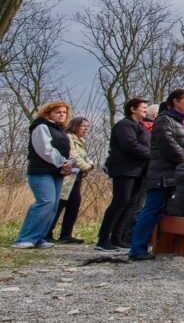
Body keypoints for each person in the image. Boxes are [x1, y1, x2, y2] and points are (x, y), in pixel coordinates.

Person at [129, 89, 184, 261]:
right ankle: (137, 248)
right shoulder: (163, 119)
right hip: (162, 173)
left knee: (175, 209)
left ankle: (171, 246)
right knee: (151, 208)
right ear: (175, 101)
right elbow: (168, 143)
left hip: (180, 173)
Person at [13, 101, 73, 250]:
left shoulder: (61, 130)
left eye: (64, 112)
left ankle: (39, 237)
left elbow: (69, 151)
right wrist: (62, 162)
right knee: (45, 202)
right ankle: (25, 238)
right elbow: (45, 150)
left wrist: (70, 162)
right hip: (40, 172)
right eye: (58, 112)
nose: (62, 115)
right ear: (48, 114)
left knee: (53, 206)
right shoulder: (41, 127)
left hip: (56, 173)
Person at [96, 97, 150, 251]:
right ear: (132, 109)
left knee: (130, 204)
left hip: (139, 170)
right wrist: (151, 154)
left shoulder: (141, 127)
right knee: (120, 202)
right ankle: (103, 239)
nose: (145, 111)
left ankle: (117, 237)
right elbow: (130, 145)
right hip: (125, 169)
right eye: (143, 108)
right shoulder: (124, 125)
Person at [47, 116, 94, 244]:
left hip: (76, 178)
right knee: (60, 204)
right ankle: (47, 233)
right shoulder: (69, 138)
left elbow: (85, 157)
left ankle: (66, 234)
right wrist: (87, 167)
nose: (85, 129)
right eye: (83, 126)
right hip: (67, 177)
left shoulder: (81, 141)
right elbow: (75, 157)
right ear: (75, 126)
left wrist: (90, 164)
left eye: (87, 126)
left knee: (74, 204)